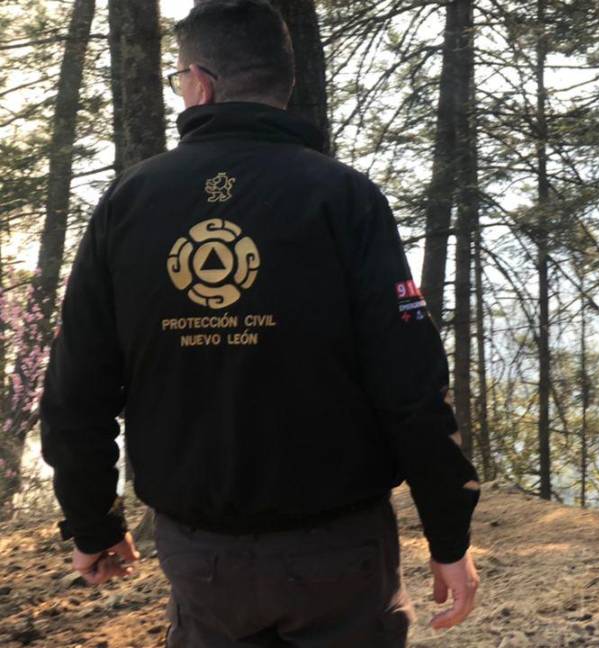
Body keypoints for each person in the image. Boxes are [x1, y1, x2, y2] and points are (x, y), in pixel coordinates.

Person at [39, 1, 480, 645]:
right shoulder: (344, 198)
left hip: (202, 561)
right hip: (340, 556)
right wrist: (449, 532)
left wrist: (94, 524)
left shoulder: (127, 205)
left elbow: (76, 390)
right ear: (286, 83)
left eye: (178, 81)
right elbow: (410, 384)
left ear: (200, 81)